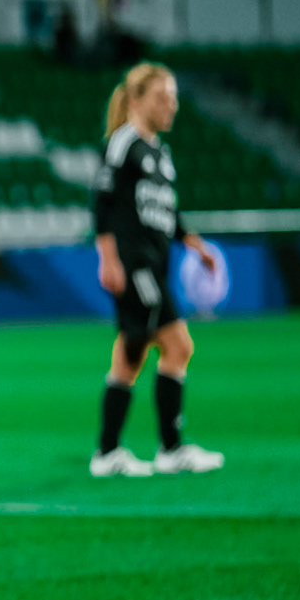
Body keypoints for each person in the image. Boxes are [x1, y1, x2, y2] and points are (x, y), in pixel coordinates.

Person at [89, 63, 224, 477]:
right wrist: (108, 258)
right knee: (142, 349)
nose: (172, 105)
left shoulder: (159, 153)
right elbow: (102, 199)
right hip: (134, 265)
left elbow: (166, 209)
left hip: (157, 263)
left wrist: (193, 243)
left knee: (173, 348)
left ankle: (164, 449)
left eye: (174, 97)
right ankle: (114, 453)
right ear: (136, 99)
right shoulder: (123, 142)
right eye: (163, 97)